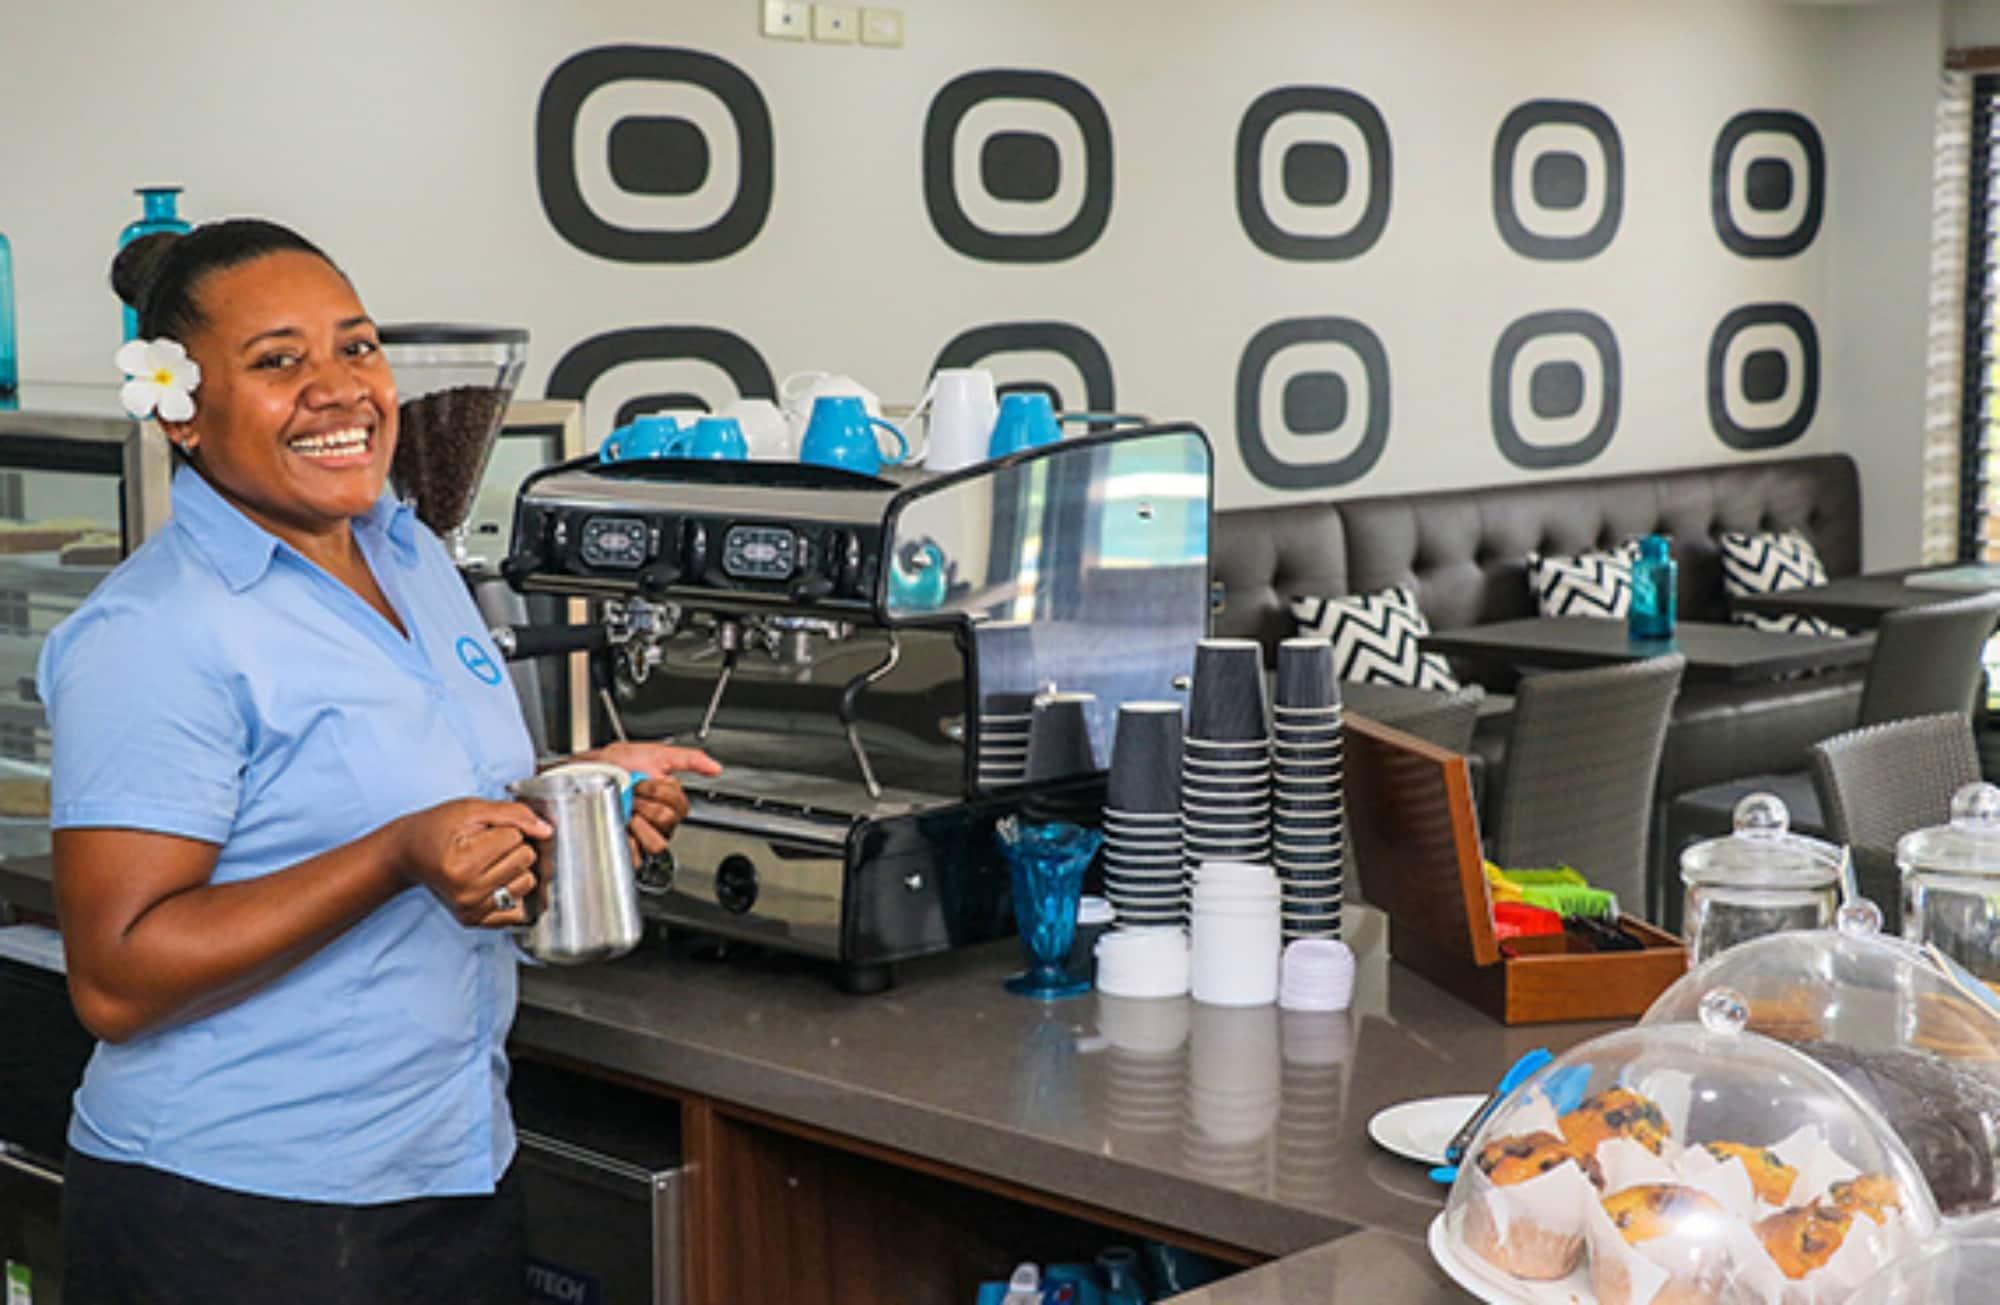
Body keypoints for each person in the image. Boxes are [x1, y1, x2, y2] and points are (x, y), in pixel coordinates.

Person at [43, 218, 719, 1304]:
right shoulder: (157, 633)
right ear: (180, 410)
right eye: (277, 363)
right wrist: (397, 855)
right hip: (234, 1215)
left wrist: (569, 805)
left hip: (449, 1169)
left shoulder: (408, 557)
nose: (338, 388)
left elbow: (429, 808)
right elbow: (118, 977)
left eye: (355, 348)